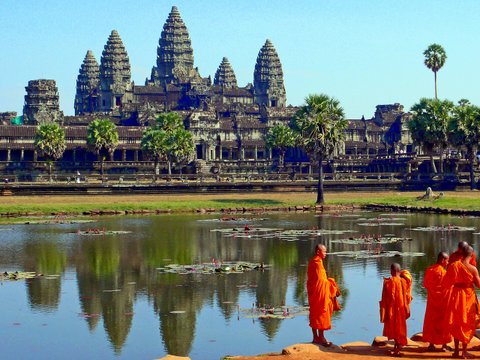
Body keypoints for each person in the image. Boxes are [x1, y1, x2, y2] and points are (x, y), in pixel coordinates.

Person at [443, 245, 480, 359]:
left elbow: (445, 283)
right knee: (467, 323)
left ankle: (456, 351)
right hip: (468, 296)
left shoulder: (454, 266)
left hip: (456, 296)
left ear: (461, 254)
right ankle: (464, 351)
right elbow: (479, 284)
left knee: (456, 323)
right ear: (472, 255)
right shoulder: (473, 268)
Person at [307, 244, 341, 346]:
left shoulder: (316, 262)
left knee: (314, 312)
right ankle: (320, 337)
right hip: (318, 293)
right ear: (318, 252)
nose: (326, 253)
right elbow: (321, 281)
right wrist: (332, 283)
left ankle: (315, 337)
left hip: (315, 292)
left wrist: (328, 281)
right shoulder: (317, 263)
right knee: (322, 311)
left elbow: (316, 280)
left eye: (326, 251)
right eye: (324, 251)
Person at [379, 263, 412, 357]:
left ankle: (398, 348)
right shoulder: (403, 281)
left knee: (394, 327)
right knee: (399, 326)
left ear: (392, 271)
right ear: (399, 271)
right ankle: (397, 346)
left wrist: (383, 308)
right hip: (401, 308)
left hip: (392, 309)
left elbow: (385, 297)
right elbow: (407, 294)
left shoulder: (389, 282)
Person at [423, 252, 452, 351]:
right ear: (443, 260)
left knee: (431, 322)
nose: (448, 262)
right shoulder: (444, 273)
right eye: (447, 260)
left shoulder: (430, 270)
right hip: (443, 302)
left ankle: (431, 345)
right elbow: (449, 287)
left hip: (432, 302)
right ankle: (444, 345)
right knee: (444, 322)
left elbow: (426, 285)